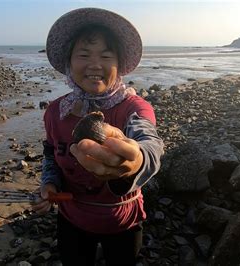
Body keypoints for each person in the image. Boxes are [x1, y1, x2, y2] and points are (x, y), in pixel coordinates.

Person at [33, 7, 164, 265]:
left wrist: (135, 162)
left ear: (119, 65)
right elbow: (51, 152)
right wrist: (50, 185)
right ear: (69, 63)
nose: (95, 65)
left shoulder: (134, 108)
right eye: (83, 55)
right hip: (71, 220)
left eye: (106, 56)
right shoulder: (55, 112)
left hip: (123, 222)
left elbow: (150, 144)